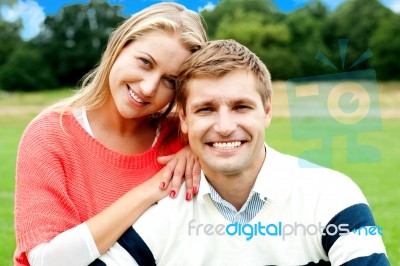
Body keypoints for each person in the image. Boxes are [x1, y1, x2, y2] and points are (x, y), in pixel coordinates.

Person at [95, 39, 390, 265]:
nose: (224, 127)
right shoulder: (162, 213)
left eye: (241, 107)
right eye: (206, 109)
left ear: (267, 112)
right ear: (183, 119)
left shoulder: (329, 194)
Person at [14, 2, 207, 265]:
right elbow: (48, 260)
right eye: (145, 62)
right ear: (119, 46)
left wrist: (199, 149)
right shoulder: (50, 135)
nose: (149, 88)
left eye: (170, 81)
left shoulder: (186, 136)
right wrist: (149, 190)